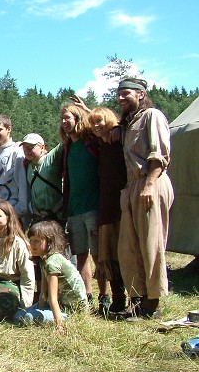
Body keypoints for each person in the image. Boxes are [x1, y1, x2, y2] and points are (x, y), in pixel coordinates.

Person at [116, 78, 174, 319]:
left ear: (141, 94)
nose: (121, 98)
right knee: (129, 247)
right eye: (118, 94)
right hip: (132, 186)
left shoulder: (152, 116)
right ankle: (138, 299)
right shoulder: (129, 123)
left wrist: (149, 185)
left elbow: (159, 154)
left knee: (151, 243)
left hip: (150, 181)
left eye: (126, 94)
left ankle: (153, 303)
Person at [60, 103, 107, 308]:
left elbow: (104, 127)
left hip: (93, 206)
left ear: (78, 118)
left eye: (68, 118)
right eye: (62, 119)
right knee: (80, 255)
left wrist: (87, 110)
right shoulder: (67, 147)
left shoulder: (91, 142)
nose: (64, 122)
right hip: (74, 209)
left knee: (98, 254)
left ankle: (104, 296)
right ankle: (85, 295)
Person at [13, 221, 88, 334]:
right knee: (18, 315)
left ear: (49, 242)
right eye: (31, 240)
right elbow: (44, 293)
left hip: (72, 311)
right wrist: (40, 309)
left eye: (37, 241)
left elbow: (53, 298)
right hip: (57, 306)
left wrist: (59, 326)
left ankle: (59, 320)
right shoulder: (44, 261)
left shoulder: (52, 262)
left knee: (28, 317)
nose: (32, 245)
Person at [88, 107, 128, 315]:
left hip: (122, 204)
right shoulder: (98, 145)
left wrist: (119, 128)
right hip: (105, 205)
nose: (96, 126)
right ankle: (118, 299)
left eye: (100, 122)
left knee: (126, 253)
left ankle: (136, 298)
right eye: (92, 123)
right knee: (108, 254)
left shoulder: (119, 140)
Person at [19, 133, 64, 227]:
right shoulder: (26, 165)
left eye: (31, 147)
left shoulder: (51, 159)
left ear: (42, 147)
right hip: (38, 218)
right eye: (25, 148)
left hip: (57, 217)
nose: (27, 150)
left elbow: (64, 142)